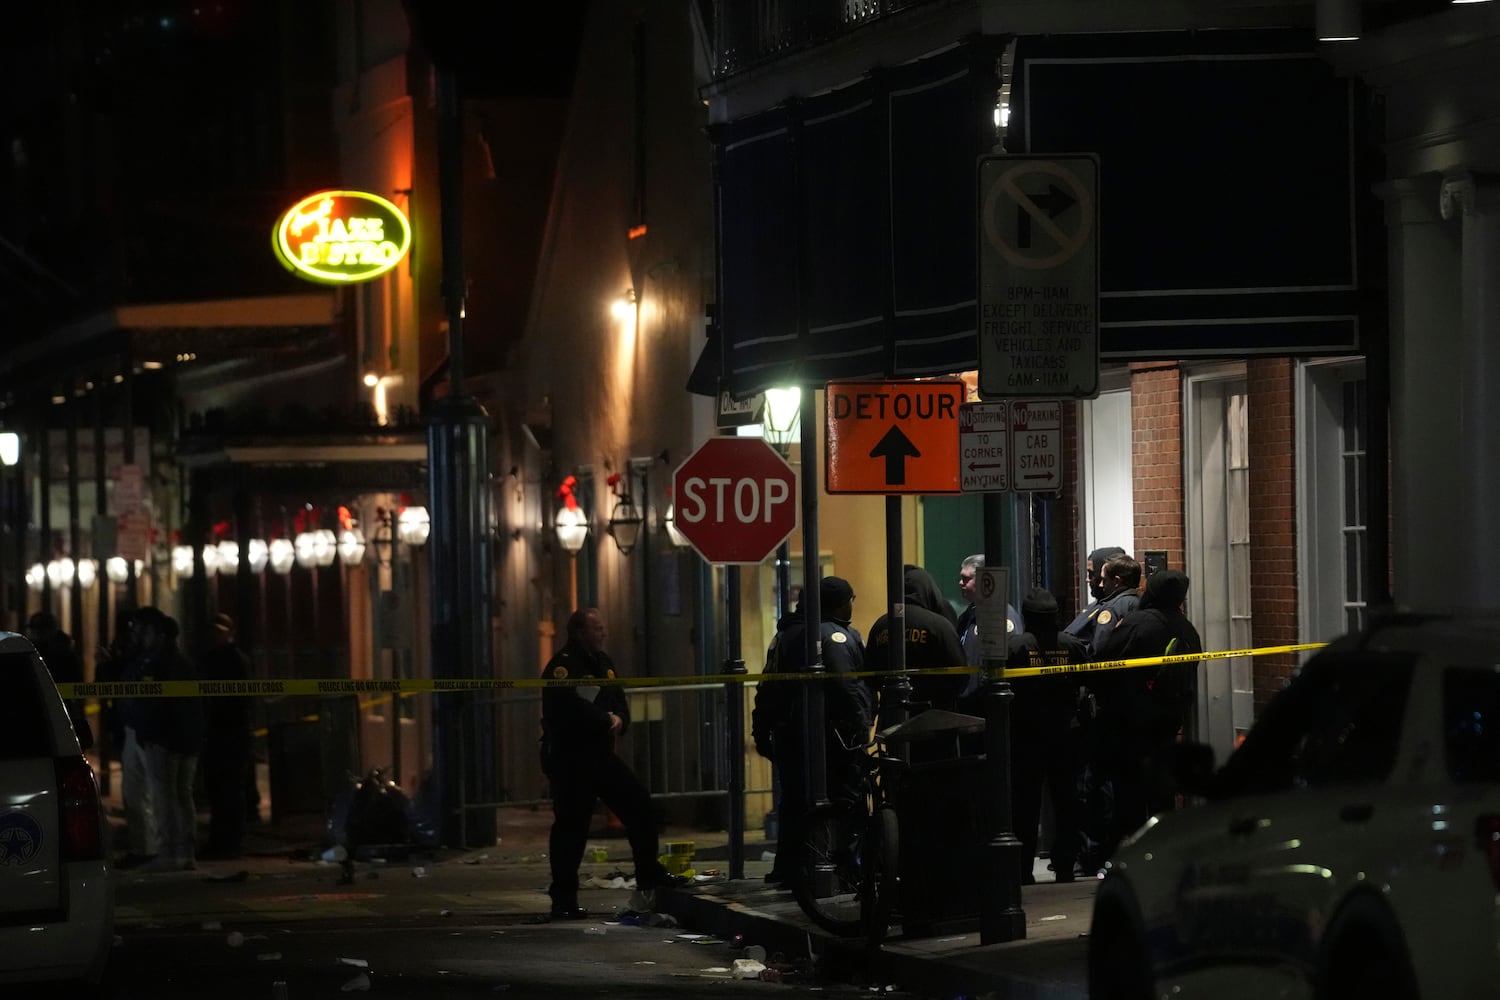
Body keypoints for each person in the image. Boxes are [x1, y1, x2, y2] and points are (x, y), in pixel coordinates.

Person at [539, 608, 688, 920]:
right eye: (597, 629)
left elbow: (618, 698)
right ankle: (563, 900)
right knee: (571, 827)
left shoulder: (603, 663)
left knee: (640, 807)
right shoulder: (563, 667)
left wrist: (619, 717)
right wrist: (603, 718)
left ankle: (649, 874)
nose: (603, 633)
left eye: (603, 628)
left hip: (600, 756)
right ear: (579, 633)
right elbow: (566, 708)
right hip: (570, 759)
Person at [751, 576, 875, 888]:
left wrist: (761, 727)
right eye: (850, 599)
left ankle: (791, 868)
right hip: (829, 736)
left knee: (794, 802)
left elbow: (767, 686)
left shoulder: (785, 635)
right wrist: (861, 724)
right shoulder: (831, 636)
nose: (852, 605)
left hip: (790, 733)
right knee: (846, 800)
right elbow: (846, 685)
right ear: (838, 603)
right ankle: (843, 869)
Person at [1091, 569, 1202, 861]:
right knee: (1161, 792)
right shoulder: (1188, 629)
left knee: (1127, 793)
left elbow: (1103, 662)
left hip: (1131, 724)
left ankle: (1123, 854)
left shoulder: (1138, 623)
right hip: (1168, 722)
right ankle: (1165, 851)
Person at [1004, 589, 1082, 884]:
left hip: (1027, 735)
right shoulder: (1072, 645)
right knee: (1066, 801)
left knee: (1025, 804)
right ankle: (1065, 866)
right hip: (1064, 733)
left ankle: (1023, 869)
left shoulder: (1016, 647)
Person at [134, 607, 206, 872]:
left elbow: (154, 706)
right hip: (187, 741)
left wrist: (148, 734)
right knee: (182, 796)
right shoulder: (184, 663)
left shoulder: (157, 664)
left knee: (164, 797)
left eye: (149, 633)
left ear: (160, 635)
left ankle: (167, 852)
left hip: (164, 740)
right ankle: (186, 853)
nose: (144, 638)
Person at [864, 565, 967, 728]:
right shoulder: (939, 625)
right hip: (934, 718)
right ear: (929, 589)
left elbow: (870, 675)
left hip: (892, 718)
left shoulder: (881, 625)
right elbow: (960, 672)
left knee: (896, 754)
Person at [197, 613, 253, 859]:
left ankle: (230, 841)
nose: (217, 636)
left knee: (230, 790)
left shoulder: (235, 661)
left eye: (221, 631)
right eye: (214, 631)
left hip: (232, 733)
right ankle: (222, 840)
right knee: (219, 790)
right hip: (218, 733)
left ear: (231, 633)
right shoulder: (211, 659)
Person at [954, 554, 1022, 703]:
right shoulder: (968, 615)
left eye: (966, 579)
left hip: (984, 705)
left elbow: (1002, 665)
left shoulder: (1001, 616)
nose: (960, 583)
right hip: (966, 704)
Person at [27, 611, 92, 749]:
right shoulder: (64, 651)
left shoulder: (42, 654)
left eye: (36, 630)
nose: (32, 634)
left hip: (55, 714)